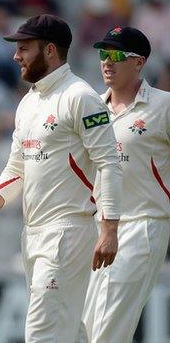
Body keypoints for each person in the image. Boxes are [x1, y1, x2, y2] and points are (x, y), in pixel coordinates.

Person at [0, 14, 123, 342]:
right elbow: (16, 168)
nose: (16, 56)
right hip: (34, 232)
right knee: (69, 330)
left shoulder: (81, 97)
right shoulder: (28, 103)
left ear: (50, 50)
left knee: (42, 333)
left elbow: (109, 163)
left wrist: (109, 228)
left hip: (67, 232)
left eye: (24, 48)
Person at [82, 26, 170, 343]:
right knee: (85, 327)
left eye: (117, 55)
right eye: (104, 54)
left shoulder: (163, 106)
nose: (108, 62)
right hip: (98, 227)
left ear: (139, 62)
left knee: (107, 328)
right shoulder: (91, 109)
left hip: (143, 225)